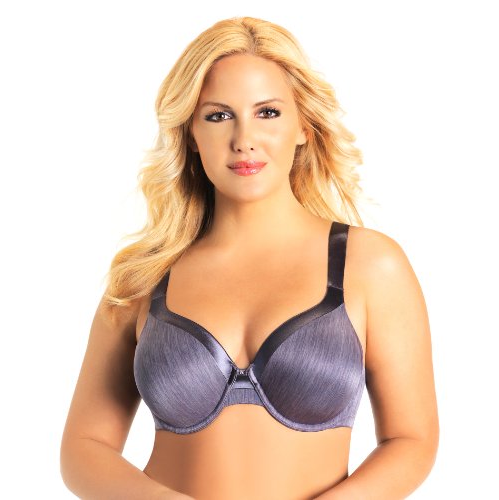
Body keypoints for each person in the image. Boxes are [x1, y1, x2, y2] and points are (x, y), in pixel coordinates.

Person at [60, 16, 439, 500]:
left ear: (304, 126)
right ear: (191, 134)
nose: (244, 139)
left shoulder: (368, 265)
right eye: (219, 116)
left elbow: (411, 440)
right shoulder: (145, 275)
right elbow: (83, 448)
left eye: (268, 112)